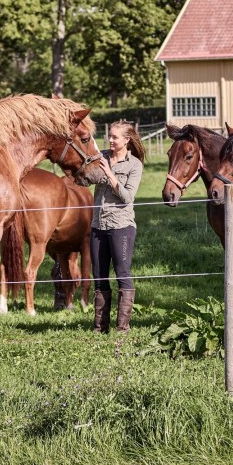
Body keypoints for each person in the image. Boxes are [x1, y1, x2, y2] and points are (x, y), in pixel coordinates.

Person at [91, 120, 145, 333]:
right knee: (99, 275)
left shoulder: (134, 165)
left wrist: (110, 174)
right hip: (98, 224)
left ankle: (122, 328)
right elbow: (84, 177)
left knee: (122, 273)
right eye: (109, 136)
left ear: (126, 140)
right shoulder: (100, 157)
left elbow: (127, 197)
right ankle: (99, 328)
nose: (110, 140)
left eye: (114, 137)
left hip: (121, 226)